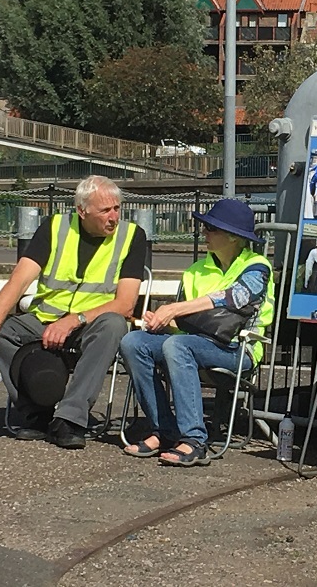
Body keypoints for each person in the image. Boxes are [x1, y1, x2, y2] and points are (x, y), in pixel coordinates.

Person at [0, 175, 146, 450]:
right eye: (105, 210)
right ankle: (36, 408)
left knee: (114, 325)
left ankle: (70, 418)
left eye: (117, 208)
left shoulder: (132, 236)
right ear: (82, 211)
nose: (113, 217)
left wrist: (75, 320)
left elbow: (125, 304)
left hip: (91, 324)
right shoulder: (55, 227)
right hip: (43, 318)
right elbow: (19, 282)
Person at [119, 199, 274, 467]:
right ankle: (164, 430)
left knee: (178, 347)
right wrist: (161, 320)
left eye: (211, 228)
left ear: (233, 237)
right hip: (192, 343)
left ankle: (193, 440)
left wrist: (174, 308)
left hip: (239, 350)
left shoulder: (257, 267)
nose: (204, 232)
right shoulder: (194, 271)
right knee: (134, 342)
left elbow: (234, 297)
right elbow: (184, 325)